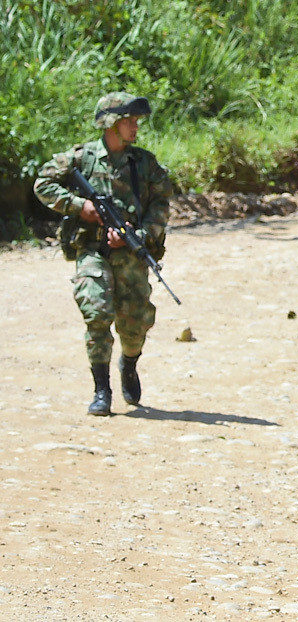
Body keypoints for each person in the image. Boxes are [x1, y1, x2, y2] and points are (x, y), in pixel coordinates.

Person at [34, 92, 173, 416]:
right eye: (129, 121)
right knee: (96, 314)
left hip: (130, 252)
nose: (135, 127)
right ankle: (102, 389)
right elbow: (43, 182)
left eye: (136, 121)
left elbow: (161, 203)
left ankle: (129, 363)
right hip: (92, 250)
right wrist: (78, 206)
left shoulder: (144, 163)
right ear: (111, 122)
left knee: (136, 322)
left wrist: (138, 235)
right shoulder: (81, 158)